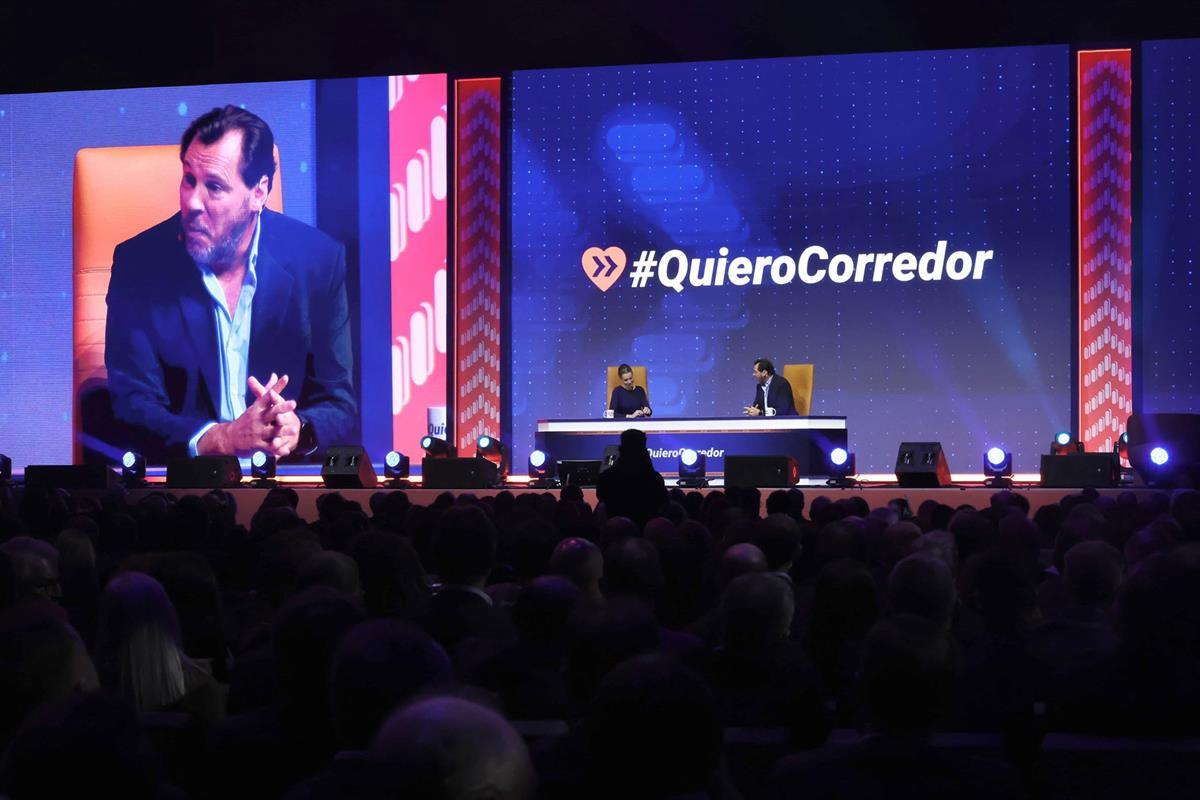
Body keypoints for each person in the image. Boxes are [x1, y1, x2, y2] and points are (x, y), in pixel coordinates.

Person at [104, 104, 356, 462]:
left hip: (281, 483)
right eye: (188, 179)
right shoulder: (140, 265)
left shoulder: (317, 262)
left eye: (214, 187)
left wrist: (298, 428)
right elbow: (132, 407)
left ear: (258, 193)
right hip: (184, 487)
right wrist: (220, 439)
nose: (192, 202)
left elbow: (339, 405)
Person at [595, 429, 668, 530]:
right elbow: (662, 501)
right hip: (644, 530)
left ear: (621, 447)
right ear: (643, 449)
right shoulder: (654, 479)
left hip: (615, 531)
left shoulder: (607, 477)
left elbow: (601, 496)